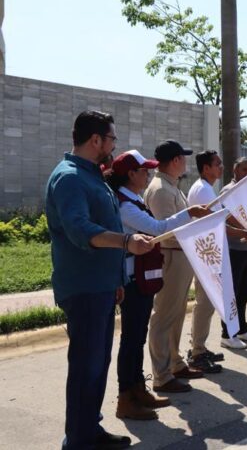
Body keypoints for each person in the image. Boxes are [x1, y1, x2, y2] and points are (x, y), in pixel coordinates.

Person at [45, 110, 154, 449]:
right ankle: (78, 440)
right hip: (84, 289)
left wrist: (115, 279)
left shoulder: (92, 176)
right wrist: (125, 242)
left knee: (97, 365)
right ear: (96, 140)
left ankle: (89, 431)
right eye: (111, 139)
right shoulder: (70, 178)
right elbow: (80, 230)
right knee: (86, 367)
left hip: (102, 286)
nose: (112, 145)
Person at [106, 150, 210, 420]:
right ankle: (127, 396)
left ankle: (137, 389)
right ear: (130, 174)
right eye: (143, 171)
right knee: (131, 340)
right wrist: (190, 213)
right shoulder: (125, 205)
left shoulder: (134, 199)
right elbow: (157, 227)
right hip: (132, 279)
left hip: (142, 276)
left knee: (137, 337)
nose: (148, 174)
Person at [145, 139, 204, 394]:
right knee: (164, 316)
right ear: (176, 160)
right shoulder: (160, 190)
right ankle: (161, 374)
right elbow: (164, 231)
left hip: (181, 255)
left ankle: (175, 362)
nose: (186, 162)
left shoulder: (171, 187)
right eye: (183, 158)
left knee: (177, 313)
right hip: (171, 256)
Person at [187, 150, 244, 362]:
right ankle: (197, 351)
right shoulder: (203, 191)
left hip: (209, 251)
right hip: (206, 253)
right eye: (217, 164)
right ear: (206, 168)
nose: (221, 167)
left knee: (206, 302)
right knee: (205, 303)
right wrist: (246, 233)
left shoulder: (207, 189)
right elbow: (219, 223)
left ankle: (198, 345)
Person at [220, 157, 247, 349]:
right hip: (234, 249)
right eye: (244, 170)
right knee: (233, 294)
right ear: (235, 171)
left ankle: (242, 329)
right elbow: (231, 217)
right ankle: (228, 334)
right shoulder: (229, 191)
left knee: (245, 292)